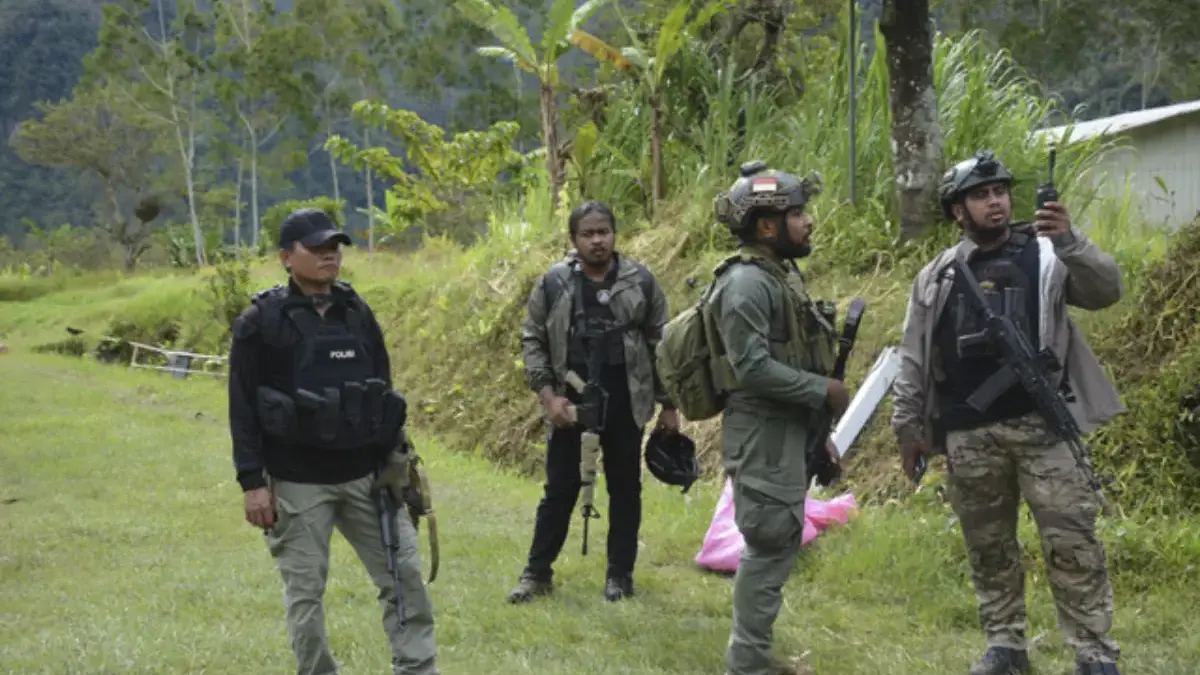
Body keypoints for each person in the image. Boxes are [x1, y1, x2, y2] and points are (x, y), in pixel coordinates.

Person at [890, 149, 1126, 675]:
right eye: (980, 195)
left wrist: (1070, 241)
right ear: (958, 210)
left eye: (1000, 192)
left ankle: (1092, 651)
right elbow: (913, 355)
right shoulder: (937, 276)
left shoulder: (1047, 254)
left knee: (1072, 539)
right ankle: (1005, 643)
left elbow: (1107, 289)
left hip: (1044, 427)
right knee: (988, 545)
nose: (995, 202)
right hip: (968, 433)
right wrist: (909, 426)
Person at [227, 207, 439, 675]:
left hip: (366, 477)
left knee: (403, 577)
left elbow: (382, 387)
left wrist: (394, 461)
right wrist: (252, 483)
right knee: (305, 595)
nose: (330, 257)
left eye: (335, 248)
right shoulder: (260, 322)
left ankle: (417, 668)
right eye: (317, 249)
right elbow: (242, 408)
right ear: (286, 257)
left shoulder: (357, 312)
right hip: (298, 483)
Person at [706, 161, 848, 675]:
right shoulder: (746, 284)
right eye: (798, 213)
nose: (808, 222)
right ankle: (746, 663)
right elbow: (751, 369)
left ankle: (752, 656)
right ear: (768, 226)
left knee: (778, 538)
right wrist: (823, 391)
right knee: (769, 541)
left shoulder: (781, 276)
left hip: (784, 429)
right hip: (762, 431)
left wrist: (819, 434)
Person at [509, 200, 678, 604]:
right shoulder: (553, 283)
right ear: (574, 239)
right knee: (560, 488)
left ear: (614, 235)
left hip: (626, 397)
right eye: (588, 233)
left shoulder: (641, 281)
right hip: (571, 399)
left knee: (625, 488)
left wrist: (668, 403)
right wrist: (548, 397)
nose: (597, 240)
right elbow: (532, 339)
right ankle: (536, 573)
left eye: (604, 232)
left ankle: (620, 576)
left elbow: (664, 344)